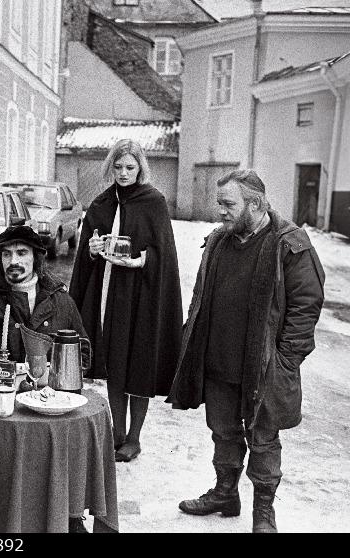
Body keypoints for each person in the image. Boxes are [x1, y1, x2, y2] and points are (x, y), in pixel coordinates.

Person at [167, 170, 325, 533]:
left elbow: (306, 307)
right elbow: (200, 296)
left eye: (227, 204)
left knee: (264, 440)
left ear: (254, 204)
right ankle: (225, 493)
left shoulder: (290, 244)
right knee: (222, 432)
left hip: (264, 368)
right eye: (219, 204)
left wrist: (286, 361)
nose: (219, 211)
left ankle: (264, 512)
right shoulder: (221, 240)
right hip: (219, 363)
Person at [0, 225, 90, 534]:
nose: (13, 261)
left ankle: (68, 516)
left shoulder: (59, 299)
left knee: (63, 440)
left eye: (21, 253)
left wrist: (56, 366)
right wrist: (17, 372)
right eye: (6, 254)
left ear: (37, 258)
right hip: (5, 406)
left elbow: (83, 350)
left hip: (53, 403)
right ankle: (7, 522)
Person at [69, 138, 182, 463]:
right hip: (109, 295)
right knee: (116, 363)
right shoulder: (102, 203)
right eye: (117, 167)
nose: (123, 172)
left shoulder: (154, 202)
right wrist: (92, 250)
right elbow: (88, 249)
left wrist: (142, 259)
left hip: (142, 297)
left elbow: (163, 252)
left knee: (139, 364)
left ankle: (134, 438)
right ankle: (118, 433)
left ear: (140, 168)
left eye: (129, 167)